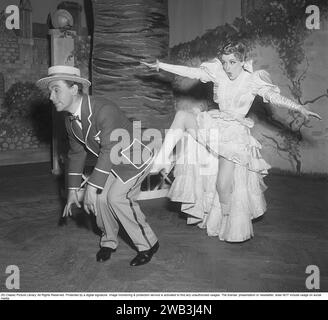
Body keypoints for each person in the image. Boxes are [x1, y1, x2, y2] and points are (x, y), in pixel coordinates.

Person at [142, 42, 321, 242]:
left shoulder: (253, 80)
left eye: (232, 62)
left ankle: (226, 222)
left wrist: (300, 109)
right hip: (215, 125)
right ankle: (160, 163)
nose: (227, 67)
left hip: (234, 136)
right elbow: (191, 72)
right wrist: (161, 65)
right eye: (225, 62)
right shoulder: (219, 73)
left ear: (243, 61)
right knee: (182, 116)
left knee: (222, 185)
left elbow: (273, 96)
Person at [36, 65, 159, 266]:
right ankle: (109, 241)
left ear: (74, 89)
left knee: (117, 198)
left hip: (136, 158)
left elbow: (110, 148)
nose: (51, 97)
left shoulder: (104, 109)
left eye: (56, 89)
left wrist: (92, 186)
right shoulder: (70, 121)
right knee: (101, 200)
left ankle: (148, 243)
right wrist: (74, 190)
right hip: (113, 161)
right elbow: (77, 153)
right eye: (50, 91)